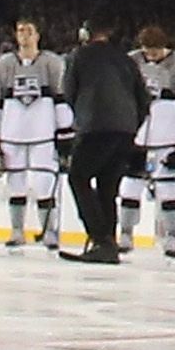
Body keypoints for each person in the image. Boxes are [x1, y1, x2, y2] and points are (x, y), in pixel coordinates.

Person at [63, 23, 147, 265]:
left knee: (78, 177)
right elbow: (143, 98)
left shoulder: (78, 55)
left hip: (96, 125)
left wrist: (80, 120)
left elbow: (69, 91)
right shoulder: (126, 59)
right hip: (126, 128)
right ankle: (108, 242)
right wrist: (131, 125)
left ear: (85, 35)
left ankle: (101, 239)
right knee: (108, 185)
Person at [0, 19, 69, 251]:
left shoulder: (52, 63)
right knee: (15, 184)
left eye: (29, 31)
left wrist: (64, 131)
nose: (24, 35)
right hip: (12, 132)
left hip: (42, 132)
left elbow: (60, 98)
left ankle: (48, 230)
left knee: (44, 182)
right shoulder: (4, 64)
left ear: (38, 36)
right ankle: (16, 230)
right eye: (20, 31)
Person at [124, 26, 175, 263]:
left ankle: (172, 236)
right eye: (147, 51)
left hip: (168, 137)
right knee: (129, 187)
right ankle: (126, 233)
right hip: (137, 136)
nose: (151, 56)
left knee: (168, 189)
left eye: (156, 51)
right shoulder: (131, 61)